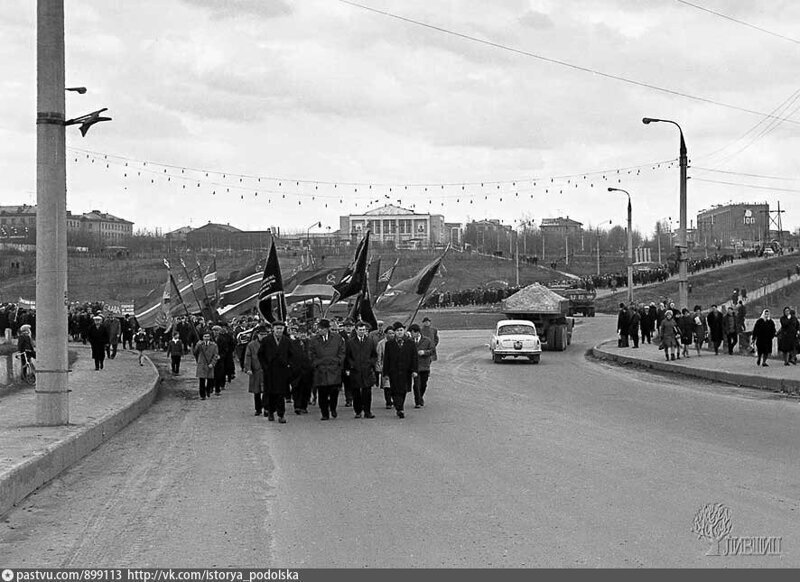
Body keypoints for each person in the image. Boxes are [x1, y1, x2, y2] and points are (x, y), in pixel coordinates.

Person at [258, 321, 295, 424]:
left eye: (281, 328)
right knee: (270, 393)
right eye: (277, 328)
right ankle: (270, 411)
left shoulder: (287, 341)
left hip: (282, 371)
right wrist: (265, 366)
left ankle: (281, 414)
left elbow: (292, 355)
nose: (279, 330)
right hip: (269, 371)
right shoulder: (266, 340)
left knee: (281, 394)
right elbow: (260, 354)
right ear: (273, 329)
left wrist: (288, 365)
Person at [309, 318, 346, 421]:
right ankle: (324, 413)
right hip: (320, 369)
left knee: (334, 392)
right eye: (318, 328)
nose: (319, 330)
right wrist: (316, 363)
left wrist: (338, 361)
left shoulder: (337, 338)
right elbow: (311, 354)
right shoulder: (314, 339)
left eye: (321, 328)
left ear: (327, 329)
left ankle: (333, 408)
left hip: (334, 368)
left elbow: (342, 351)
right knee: (322, 393)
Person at [382, 322, 418, 419]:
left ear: (404, 331)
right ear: (394, 332)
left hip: (406, 371)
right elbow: (386, 359)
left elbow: (414, 357)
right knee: (394, 390)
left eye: (401, 330)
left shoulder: (410, 343)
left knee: (404, 390)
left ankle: (400, 407)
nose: (399, 332)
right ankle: (399, 408)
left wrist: (415, 370)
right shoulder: (389, 344)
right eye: (397, 331)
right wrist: (385, 373)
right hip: (394, 371)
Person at [345, 321, 378, 419]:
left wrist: (371, 363)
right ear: (356, 330)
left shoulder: (370, 341)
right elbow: (347, 356)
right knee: (356, 392)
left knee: (367, 392)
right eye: (360, 330)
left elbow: (374, 355)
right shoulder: (350, 342)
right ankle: (358, 411)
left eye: (364, 330)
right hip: (355, 370)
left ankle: (367, 411)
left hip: (367, 370)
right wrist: (350, 366)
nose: (362, 332)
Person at [244, 325, 269, 416]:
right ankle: (258, 409)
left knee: (267, 390)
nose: (263, 336)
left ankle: (266, 408)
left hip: (267, 370)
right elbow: (248, 357)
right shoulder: (251, 345)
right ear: (257, 335)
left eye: (265, 334)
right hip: (256, 370)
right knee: (257, 391)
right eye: (261, 334)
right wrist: (248, 368)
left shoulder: (270, 343)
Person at [410, 323, 434, 407]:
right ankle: (417, 401)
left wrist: (424, 352)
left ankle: (420, 397)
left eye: (412, 332)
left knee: (423, 384)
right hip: (415, 367)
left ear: (417, 332)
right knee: (416, 384)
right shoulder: (410, 341)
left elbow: (432, 351)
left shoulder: (427, 340)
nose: (411, 334)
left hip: (425, 366)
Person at [193, 331, 219, 400]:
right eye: (205, 336)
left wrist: (212, 363)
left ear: (210, 337)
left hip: (209, 364)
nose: (206, 338)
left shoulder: (214, 345)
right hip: (201, 364)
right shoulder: (200, 344)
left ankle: (208, 390)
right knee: (202, 381)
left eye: (208, 336)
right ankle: (202, 395)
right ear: (202, 337)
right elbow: (195, 352)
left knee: (210, 380)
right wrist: (197, 345)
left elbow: (215, 355)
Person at [375, 326, 395, 409]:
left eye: (393, 333)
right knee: (387, 385)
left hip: (395, 367)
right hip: (385, 367)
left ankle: (394, 399)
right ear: (386, 334)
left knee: (394, 385)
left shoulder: (397, 342)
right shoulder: (381, 343)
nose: (391, 335)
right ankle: (388, 402)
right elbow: (379, 356)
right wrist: (379, 367)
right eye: (389, 333)